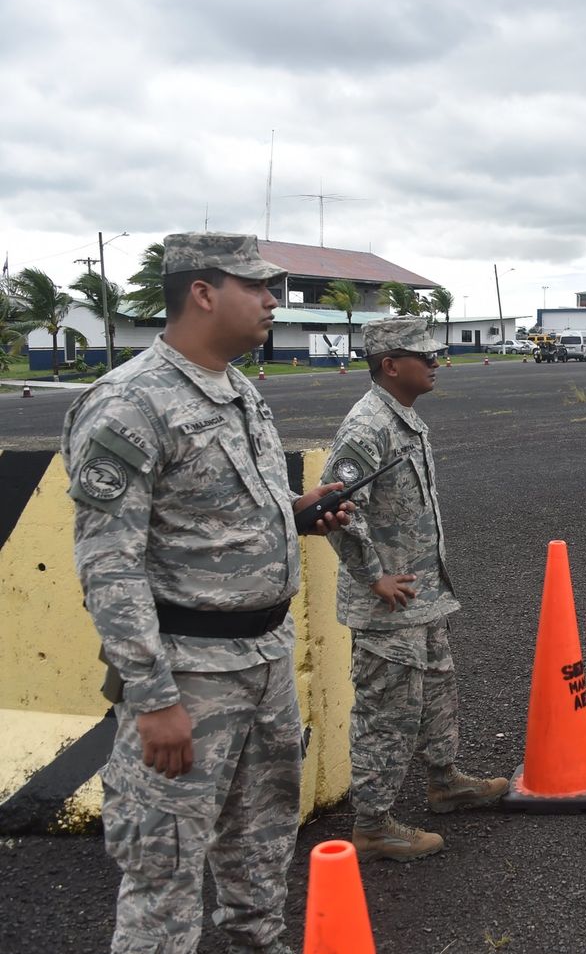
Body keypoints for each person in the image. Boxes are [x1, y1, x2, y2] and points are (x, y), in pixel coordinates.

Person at [63, 231, 353, 954]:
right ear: (202, 291)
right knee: (162, 870)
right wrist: (153, 698)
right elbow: (109, 562)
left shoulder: (238, 389)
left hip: (263, 663)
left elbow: (220, 508)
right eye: (257, 287)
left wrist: (297, 511)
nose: (272, 301)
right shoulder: (129, 403)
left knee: (261, 847)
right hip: (187, 676)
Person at [322, 316, 508, 862]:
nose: (434, 363)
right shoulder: (367, 427)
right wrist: (371, 576)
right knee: (386, 714)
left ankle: (444, 782)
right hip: (388, 605)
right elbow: (338, 507)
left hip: (421, 597)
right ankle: (373, 824)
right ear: (389, 364)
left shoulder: (402, 418)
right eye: (423, 356)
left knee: (436, 695)